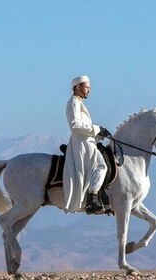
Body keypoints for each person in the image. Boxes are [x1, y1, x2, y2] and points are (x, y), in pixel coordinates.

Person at [63, 75, 109, 215]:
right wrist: (96, 129)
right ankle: (91, 200)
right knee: (101, 166)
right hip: (82, 143)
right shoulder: (73, 103)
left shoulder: (79, 103)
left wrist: (99, 133)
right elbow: (75, 125)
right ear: (78, 87)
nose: (89, 90)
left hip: (88, 141)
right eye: (87, 87)